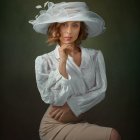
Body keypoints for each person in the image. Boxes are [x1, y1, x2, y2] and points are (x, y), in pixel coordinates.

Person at [29, 1, 121, 140]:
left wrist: (73, 106)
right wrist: (62, 62)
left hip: (77, 121)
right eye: (64, 24)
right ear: (56, 28)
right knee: (112, 135)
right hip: (53, 126)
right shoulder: (44, 61)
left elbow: (101, 90)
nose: (69, 31)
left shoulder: (95, 56)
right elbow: (52, 98)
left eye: (75, 25)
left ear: (81, 28)